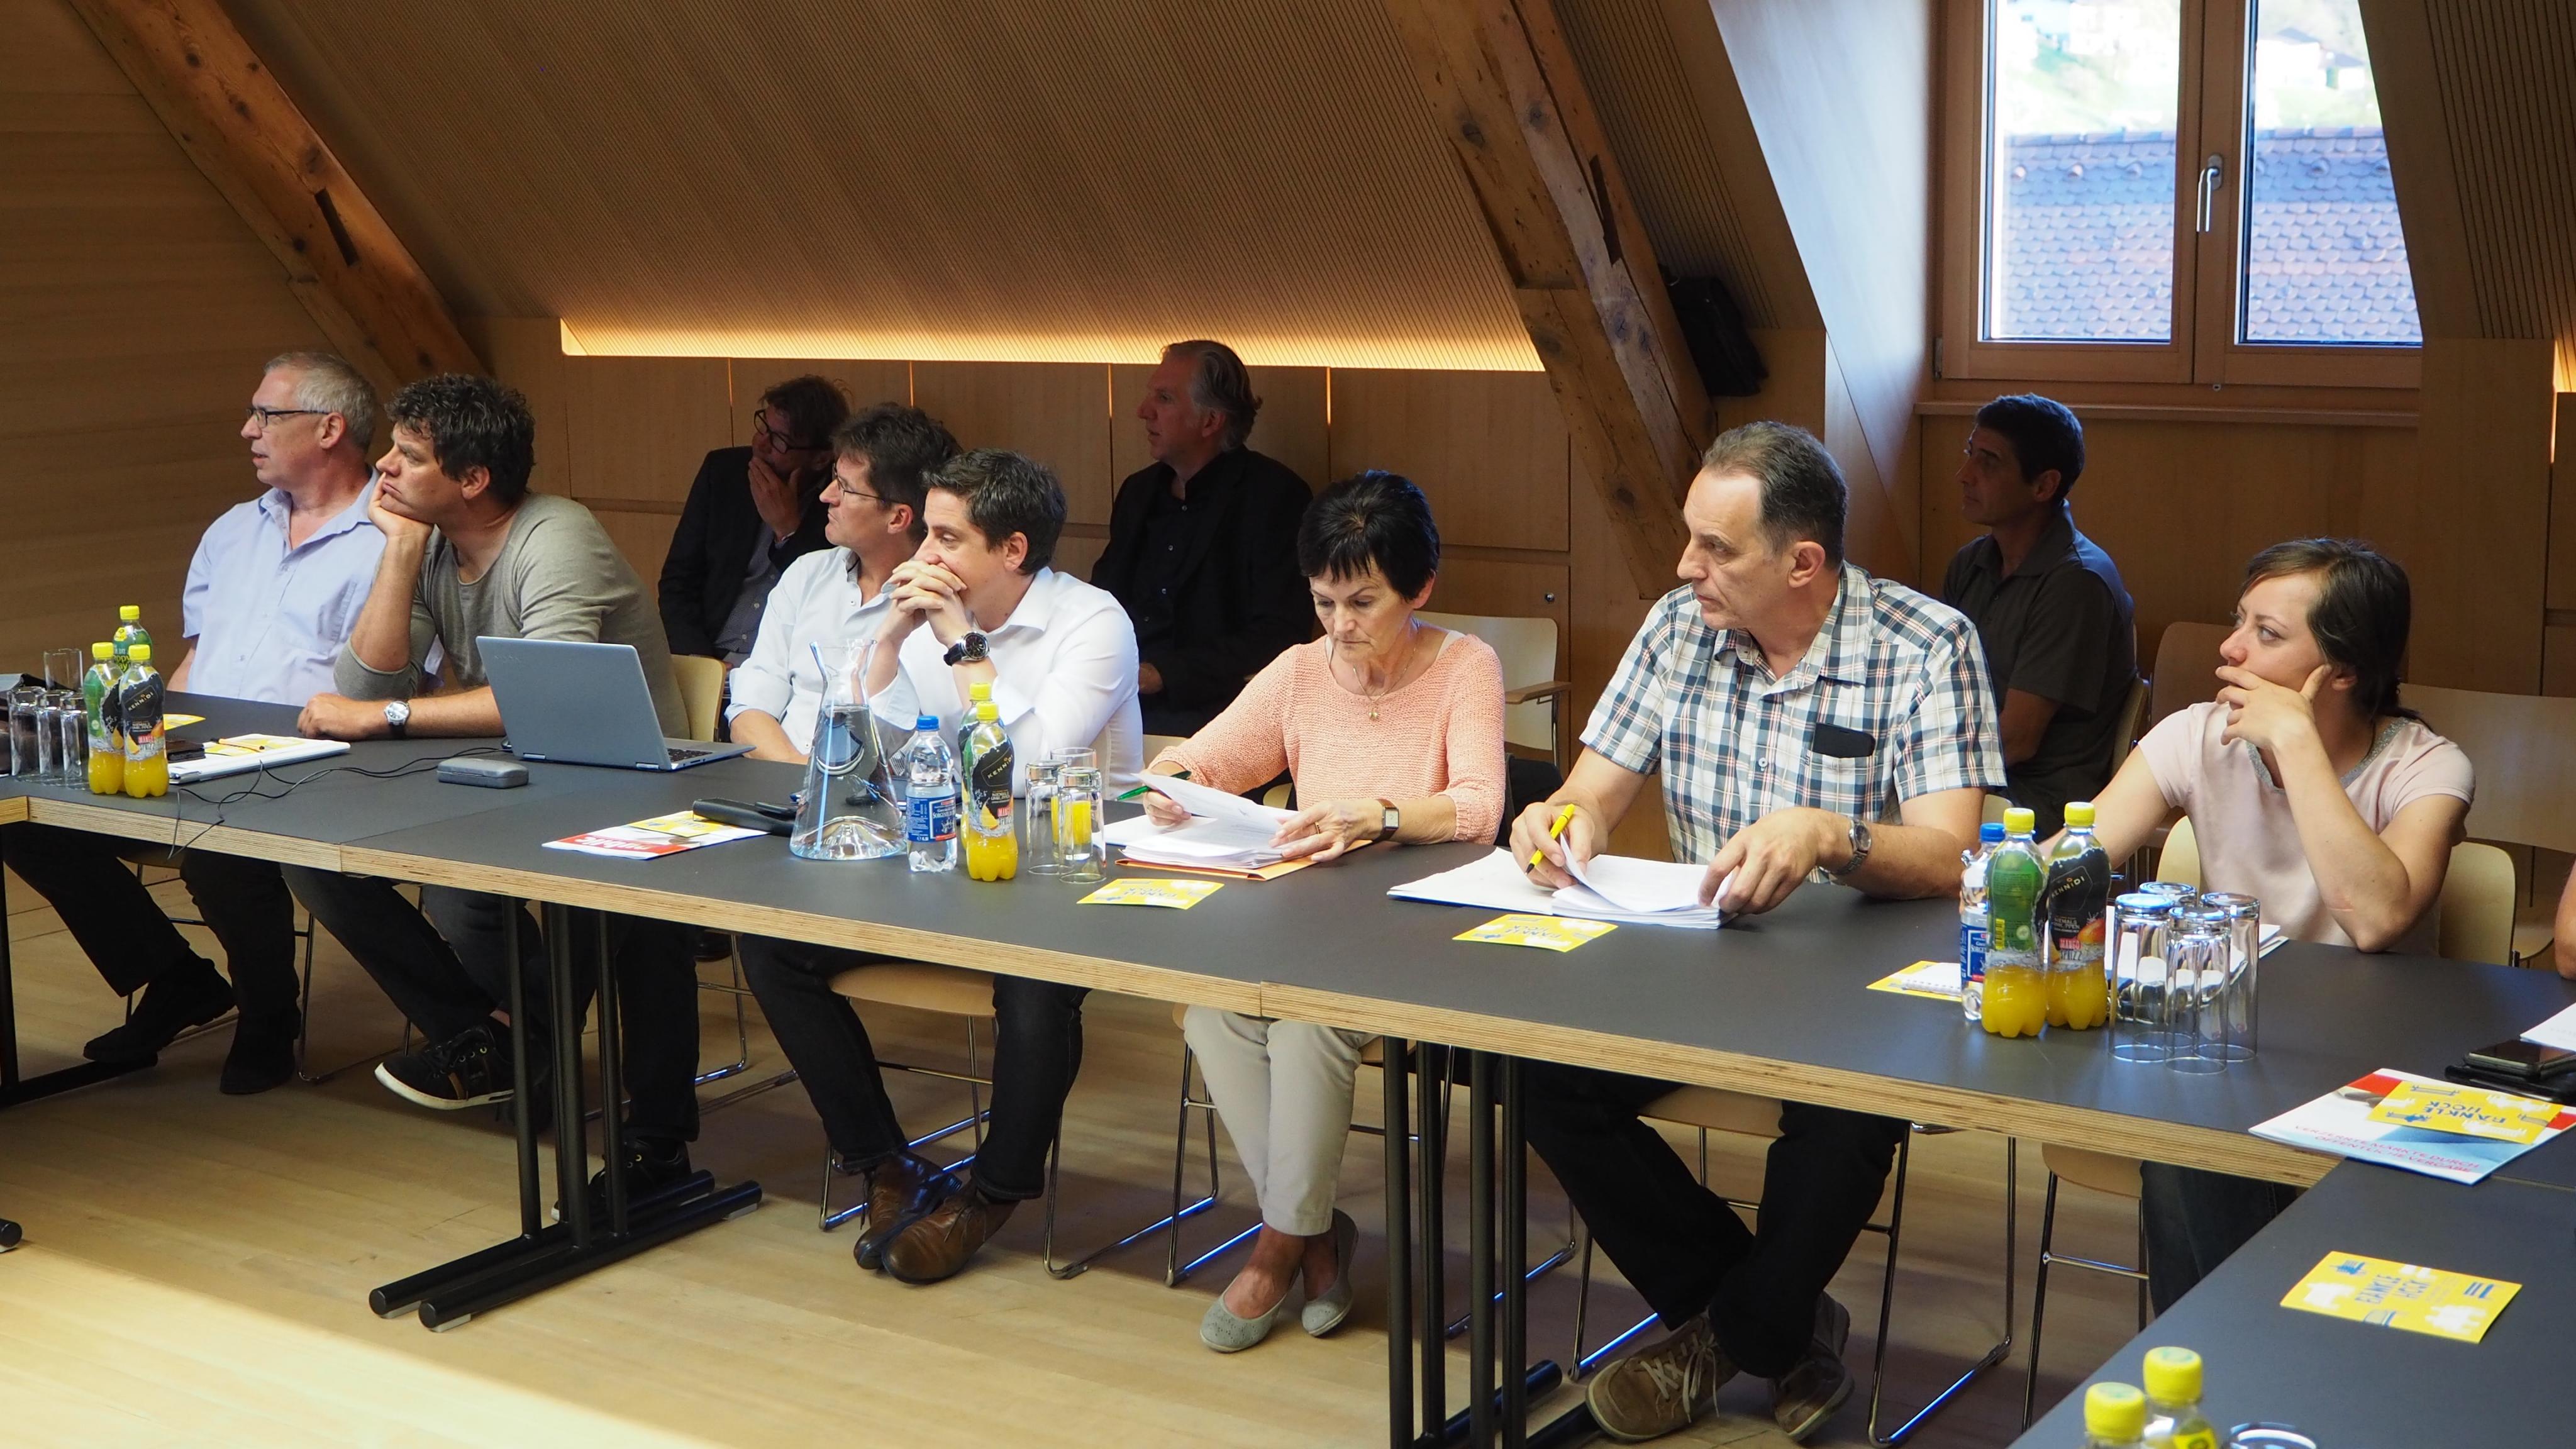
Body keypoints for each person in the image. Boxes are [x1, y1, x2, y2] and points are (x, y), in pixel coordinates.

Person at [1507, 421, 2003, 1443]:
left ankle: (1723, 1337)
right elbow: (1591, 791)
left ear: (1802, 562)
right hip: (1700, 956)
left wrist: (1830, 835)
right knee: (1540, 1070)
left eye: (1715, 547)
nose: (1684, 566)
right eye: (1690, 538)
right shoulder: (1677, 626)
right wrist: (1562, 822)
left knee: (1847, 1114)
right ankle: (1773, 1325)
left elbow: (1956, 853)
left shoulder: (1927, 643)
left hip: (1859, 981)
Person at [280, 374, 702, 1204]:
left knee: (610, 907)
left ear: (473, 479)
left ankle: (584, 1092)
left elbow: (542, 697)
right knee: (318, 860)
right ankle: (497, 1044)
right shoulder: (431, 541)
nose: (383, 468)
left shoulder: (557, 537)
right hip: (510, 772)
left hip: (628, 778)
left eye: (408, 456)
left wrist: (388, 715)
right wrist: (400, 551)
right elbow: (365, 683)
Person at [740, 448, 1141, 1285]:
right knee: (773, 945)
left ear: (1013, 550)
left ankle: (990, 1194)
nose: (923, 555)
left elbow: (1022, 772)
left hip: (1066, 873)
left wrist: (962, 643)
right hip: (948, 863)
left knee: (1032, 980)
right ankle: (886, 1163)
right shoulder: (921, 621)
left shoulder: (1093, 623)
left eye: (947, 538)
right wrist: (889, 638)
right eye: (925, 532)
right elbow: (854, 764)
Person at [1142, 472, 1504, 1352]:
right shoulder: (1302, 671)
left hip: (1422, 922)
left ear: (1419, 589)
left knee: (1308, 1025)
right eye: (1323, 602)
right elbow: (1203, 758)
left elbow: (1479, 808)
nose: (1340, 625)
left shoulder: (1466, 666)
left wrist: (1380, 816)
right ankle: (1312, 1232)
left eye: (1363, 602)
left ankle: (1277, 1247)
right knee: (1215, 1011)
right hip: (1307, 918)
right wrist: (1172, 782)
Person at [2079, 538, 2471, 1309]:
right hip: (2235, 1047)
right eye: (2239, 621)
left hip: (2374, 1069)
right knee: (2185, 1146)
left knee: (2230, 1167)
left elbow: (2377, 918)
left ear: (2342, 671)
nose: (2230, 649)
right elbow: (2076, 857)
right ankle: (2209, 1359)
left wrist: (2295, 742)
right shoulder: (2195, 734)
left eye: (2265, 633)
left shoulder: (2428, 766)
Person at [0, 352, 385, 1094]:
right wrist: (143, 734)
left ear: (330, 428)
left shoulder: (391, 540)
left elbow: (404, 680)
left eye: (267, 415)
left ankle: (269, 1017)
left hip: (312, 763)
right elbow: (195, 658)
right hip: (199, 751)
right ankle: (176, 977)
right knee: (30, 818)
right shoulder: (233, 531)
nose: (248, 430)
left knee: (216, 844)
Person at [1093, 340, 1313, 735]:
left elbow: (1280, 634)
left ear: (1210, 421)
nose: (1143, 411)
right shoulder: (1138, 492)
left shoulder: (1275, 496)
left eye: (1164, 399)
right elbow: (1101, 600)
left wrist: (1163, 673)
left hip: (1215, 712)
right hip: (1115, 698)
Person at [1941, 394, 2135, 836]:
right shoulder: (1970, 563)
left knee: (1878, 817)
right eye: (1970, 453)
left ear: (2044, 486)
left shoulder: (2077, 582)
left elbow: (2017, 741)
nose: (1965, 474)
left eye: (1989, 462)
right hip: (1976, 779)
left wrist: (1918, 770)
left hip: (2040, 805)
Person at [725, 404, 960, 763]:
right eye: (834, 478)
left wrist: (824, 784)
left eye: (846, 489)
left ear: (898, 518)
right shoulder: (807, 574)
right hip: (779, 777)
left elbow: (908, 747)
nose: (826, 496)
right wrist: (810, 780)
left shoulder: (938, 605)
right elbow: (749, 709)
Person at [659, 375, 852, 666]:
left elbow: (831, 600)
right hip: (711, 652)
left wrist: (788, 533)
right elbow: (678, 580)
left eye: (780, 440)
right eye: (764, 427)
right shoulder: (723, 473)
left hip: (785, 665)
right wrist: (700, 660)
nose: (761, 444)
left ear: (820, 459)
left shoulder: (841, 499)